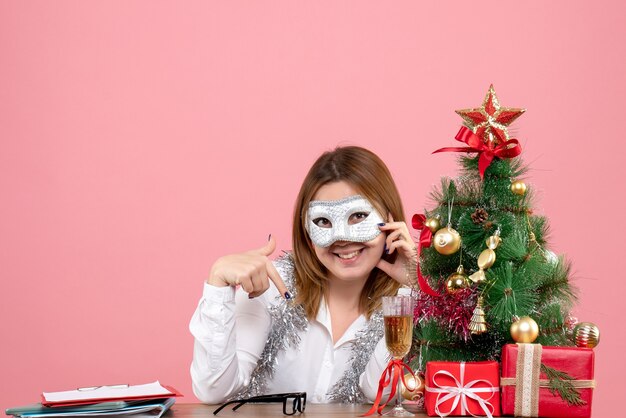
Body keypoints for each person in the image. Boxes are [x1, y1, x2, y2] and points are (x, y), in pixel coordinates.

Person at [189, 146, 417, 404]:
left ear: (390, 219)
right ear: (307, 233)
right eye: (323, 222)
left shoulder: (407, 299)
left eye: (359, 216)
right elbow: (213, 390)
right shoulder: (271, 287)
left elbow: (379, 391)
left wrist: (415, 289)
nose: (341, 237)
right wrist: (218, 284)